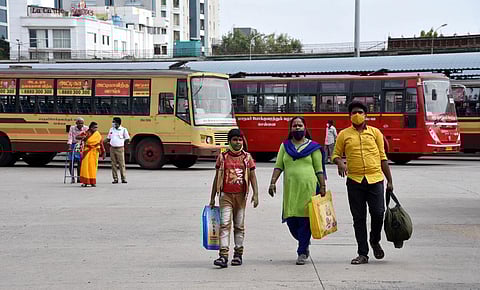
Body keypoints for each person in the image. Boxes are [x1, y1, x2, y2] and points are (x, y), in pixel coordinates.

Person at [331, 101, 394, 265]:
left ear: (365, 115)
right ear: (349, 116)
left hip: (375, 180)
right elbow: (335, 154)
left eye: (360, 112)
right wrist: (340, 162)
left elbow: (383, 157)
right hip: (354, 181)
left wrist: (390, 181)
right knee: (359, 218)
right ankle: (363, 253)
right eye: (353, 112)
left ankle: (375, 240)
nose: (357, 115)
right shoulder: (343, 134)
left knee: (378, 213)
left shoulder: (375, 133)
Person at [268, 116, 327, 266]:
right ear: (290, 129)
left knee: (305, 221)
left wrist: (323, 186)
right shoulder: (285, 146)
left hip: (309, 189)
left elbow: (319, 169)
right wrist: (272, 182)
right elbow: (278, 165)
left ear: (305, 128)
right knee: (292, 223)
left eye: (300, 125)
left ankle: (302, 251)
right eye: (294, 125)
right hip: (291, 190)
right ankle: (303, 241)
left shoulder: (313, 147)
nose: (297, 128)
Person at [209, 129, 259, 268]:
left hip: (241, 197)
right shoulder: (222, 157)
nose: (237, 142)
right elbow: (216, 178)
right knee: (224, 224)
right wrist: (212, 197)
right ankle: (223, 256)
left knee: (239, 226)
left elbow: (253, 177)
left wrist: (256, 194)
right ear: (229, 141)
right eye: (234, 140)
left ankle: (238, 254)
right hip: (225, 196)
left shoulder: (247, 158)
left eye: (240, 140)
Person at [79, 122, 105, 187]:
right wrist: (82, 137)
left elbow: (101, 143)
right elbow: (77, 137)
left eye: (97, 127)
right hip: (87, 151)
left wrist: (103, 152)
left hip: (95, 152)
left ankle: (92, 182)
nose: (96, 129)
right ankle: (85, 182)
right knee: (85, 166)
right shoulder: (86, 133)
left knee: (93, 167)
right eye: (94, 127)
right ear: (91, 128)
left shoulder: (97, 134)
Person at [106, 117, 130, 184]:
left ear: (118, 123)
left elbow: (127, 139)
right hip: (112, 148)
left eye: (114, 122)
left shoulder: (123, 130)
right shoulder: (111, 129)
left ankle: (123, 178)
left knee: (121, 164)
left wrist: (122, 143)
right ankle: (115, 178)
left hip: (120, 148)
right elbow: (108, 138)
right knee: (113, 164)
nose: (112, 123)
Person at [67, 117, 88, 183]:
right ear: (76, 123)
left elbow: (87, 137)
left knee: (80, 163)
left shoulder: (86, 128)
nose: (80, 124)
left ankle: (79, 177)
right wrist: (70, 147)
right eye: (79, 123)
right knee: (71, 162)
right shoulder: (72, 128)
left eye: (82, 123)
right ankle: (72, 177)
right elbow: (70, 137)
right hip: (73, 145)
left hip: (81, 146)